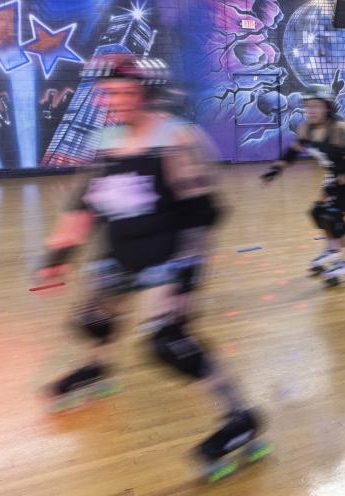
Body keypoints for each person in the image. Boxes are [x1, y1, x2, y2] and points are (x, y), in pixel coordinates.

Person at [38, 53, 268, 482]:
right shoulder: (103, 141)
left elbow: (205, 211)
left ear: (145, 94)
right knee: (90, 319)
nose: (111, 101)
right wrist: (57, 257)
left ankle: (241, 416)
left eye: (122, 92)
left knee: (168, 344)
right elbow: (83, 205)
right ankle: (98, 365)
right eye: (106, 93)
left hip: (170, 254)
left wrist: (184, 273)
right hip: (121, 251)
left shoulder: (177, 138)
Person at [261, 85, 345, 285]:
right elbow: (294, 151)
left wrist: (333, 189)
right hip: (337, 171)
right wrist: (276, 168)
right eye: (308, 106)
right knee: (317, 212)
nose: (311, 110)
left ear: (328, 107)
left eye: (316, 106)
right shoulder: (306, 127)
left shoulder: (341, 129)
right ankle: (331, 249)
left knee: (334, 214)